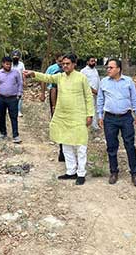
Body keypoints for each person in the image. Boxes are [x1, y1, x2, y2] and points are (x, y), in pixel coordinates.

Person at [24, 53, 94, 186]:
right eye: (63, 64)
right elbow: (47, 77)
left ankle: (81, 173)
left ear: (74, 64)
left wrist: (89, 115)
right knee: (66, 143)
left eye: (68, 64)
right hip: (63, 116)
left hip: (79, 116)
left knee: (80, 145)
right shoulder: (60, 77)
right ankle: (70, 171)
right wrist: (33, 74)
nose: (65, 66)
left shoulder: (81, 78)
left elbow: (88, 97)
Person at [97, 58, 136, 186]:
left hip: (126, 117)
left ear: (118, 69)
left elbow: (134, 98)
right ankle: (113, 172)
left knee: (130, 146)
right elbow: (100, 99)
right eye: (107, 68)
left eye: (111, 67)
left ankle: (134, 173)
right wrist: (100, 116)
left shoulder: (128, 81)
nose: (108, 70)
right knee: (111, 146)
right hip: (109, 118)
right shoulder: (104, 82)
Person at [0, 56, 23, 143]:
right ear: (3, 64)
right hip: (1, 98)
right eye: (7, 64)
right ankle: (3, 133)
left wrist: (19, 94)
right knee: (1, 116)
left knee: (14, 116)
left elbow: (20, 83)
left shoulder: (16, 72)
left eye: (10, 64)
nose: (9, 66)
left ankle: (15, 135)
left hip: (13, 98)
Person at [40, 53, 65, 162]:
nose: (62, 64)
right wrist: (43, 93)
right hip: (54, 95)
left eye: (64, 62)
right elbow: (46, 81)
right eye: (60, 61)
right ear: (56, 60)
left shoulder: (68, 72)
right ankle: (61, 149)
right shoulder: (53, 70)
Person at [81, 56, 100, 131]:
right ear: (87, 62)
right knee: (89, 110)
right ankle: (91, 126)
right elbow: (84, 84)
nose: (94, 63)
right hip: (88, 94)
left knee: (96, 109)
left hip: (96, 94)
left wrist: (99, 91)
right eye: (92, 61)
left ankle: (95, 125)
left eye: (94, 61)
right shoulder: (83, 71)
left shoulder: (95, 70)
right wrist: (93, 90)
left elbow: (98, 81)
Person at [11, 50, 26, 117]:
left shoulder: (21, 64)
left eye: (17, 56)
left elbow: (23, 73)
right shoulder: (10, 64)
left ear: (19, 57)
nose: (15, 57)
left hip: (19, 82)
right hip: (10, 82)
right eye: (14, 56)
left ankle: (18, 111)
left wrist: (24, 81)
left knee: (19, 96)